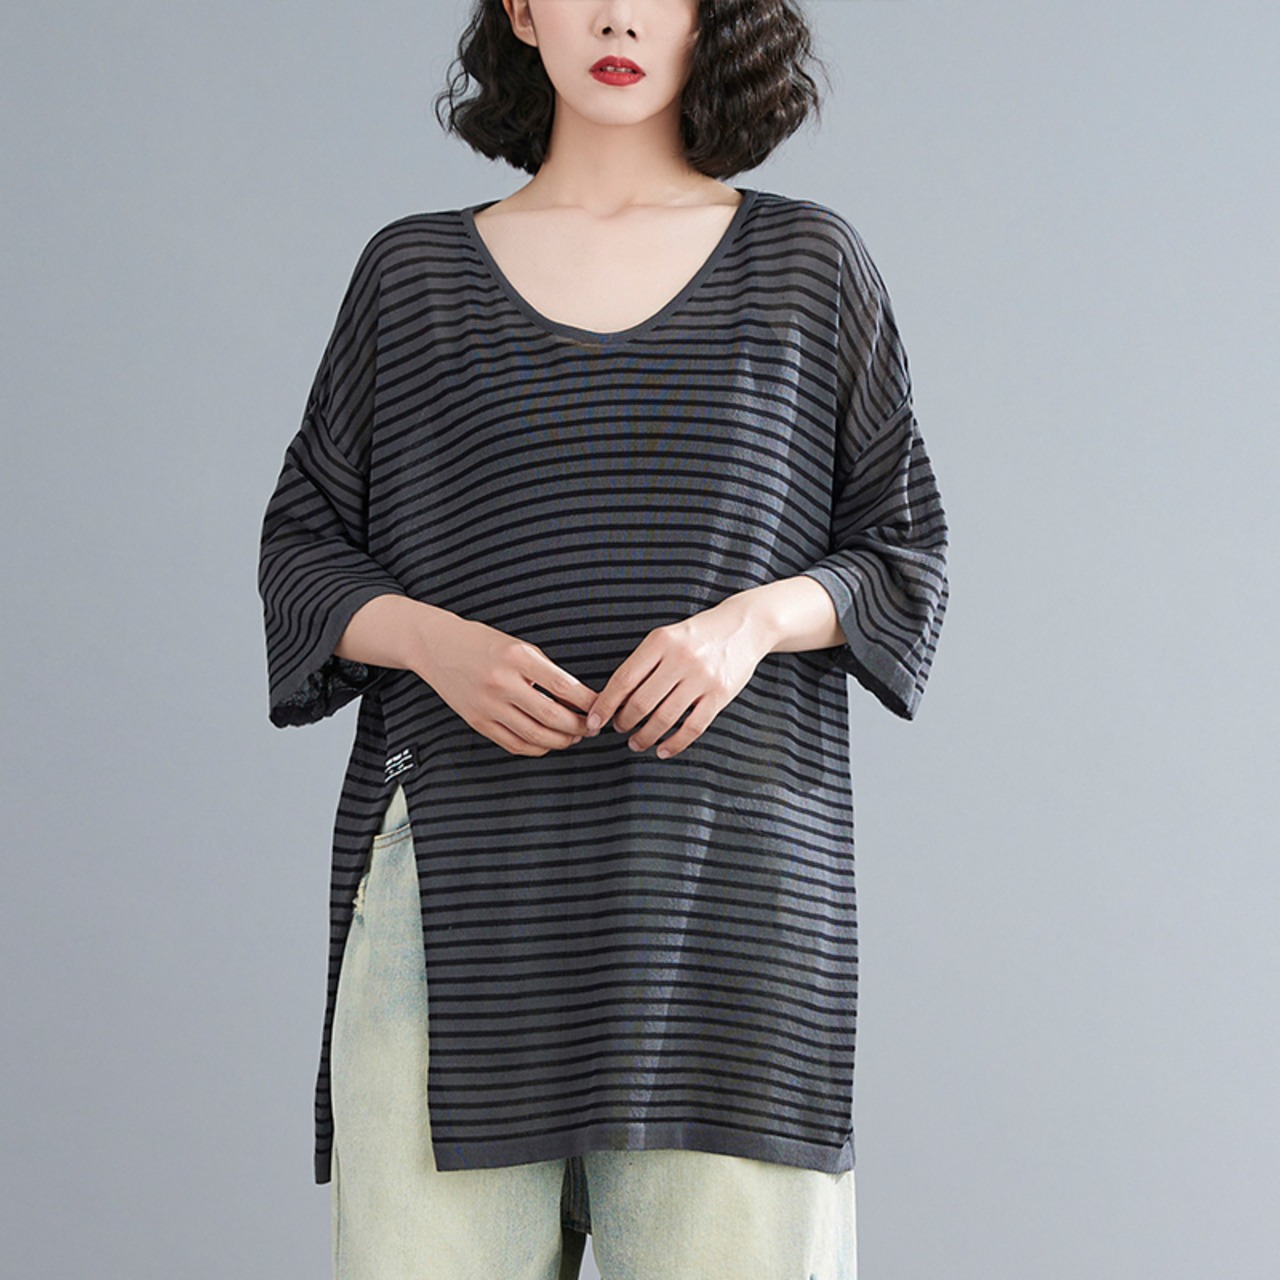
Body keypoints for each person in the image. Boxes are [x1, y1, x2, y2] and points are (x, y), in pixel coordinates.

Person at [256, 1, 950, 1276]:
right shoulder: (412, 275)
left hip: (728, 896)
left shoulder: (806, 265)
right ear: (523, 11)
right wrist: (434, 643)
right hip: (458, 894)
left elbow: (902, 551)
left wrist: (747, 626)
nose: (618, 14)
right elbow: (302, 551)